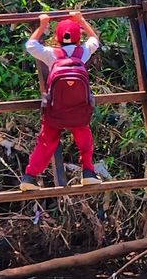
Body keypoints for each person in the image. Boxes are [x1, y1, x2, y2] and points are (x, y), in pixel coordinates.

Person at [20, 12, 102, 190]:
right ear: (78, 38)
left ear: (57, 38)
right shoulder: (83, 52)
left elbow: (30, 45)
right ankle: (88, 172)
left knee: (46, 141)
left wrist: (42, 25)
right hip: (78, 110)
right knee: (84, 138)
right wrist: (81, 20)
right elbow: (95, 38)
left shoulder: (52, 54)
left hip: (55, 109)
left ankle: (29, 177)